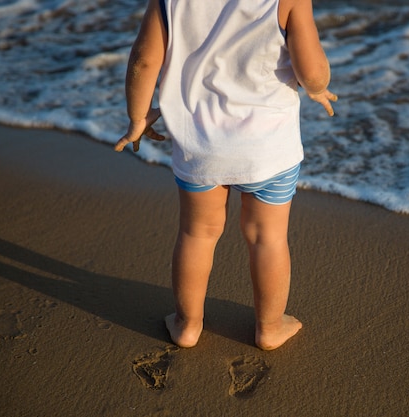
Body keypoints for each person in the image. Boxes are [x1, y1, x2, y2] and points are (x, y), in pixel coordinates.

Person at [115, 0, 337, 350]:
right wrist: (318, 87)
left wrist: (137, 118)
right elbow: (311, 71)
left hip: (199, 146)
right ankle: (269, 328)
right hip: (269, 149)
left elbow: (144, 61)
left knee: (197, 234)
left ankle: (188, 326)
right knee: (268, 238)